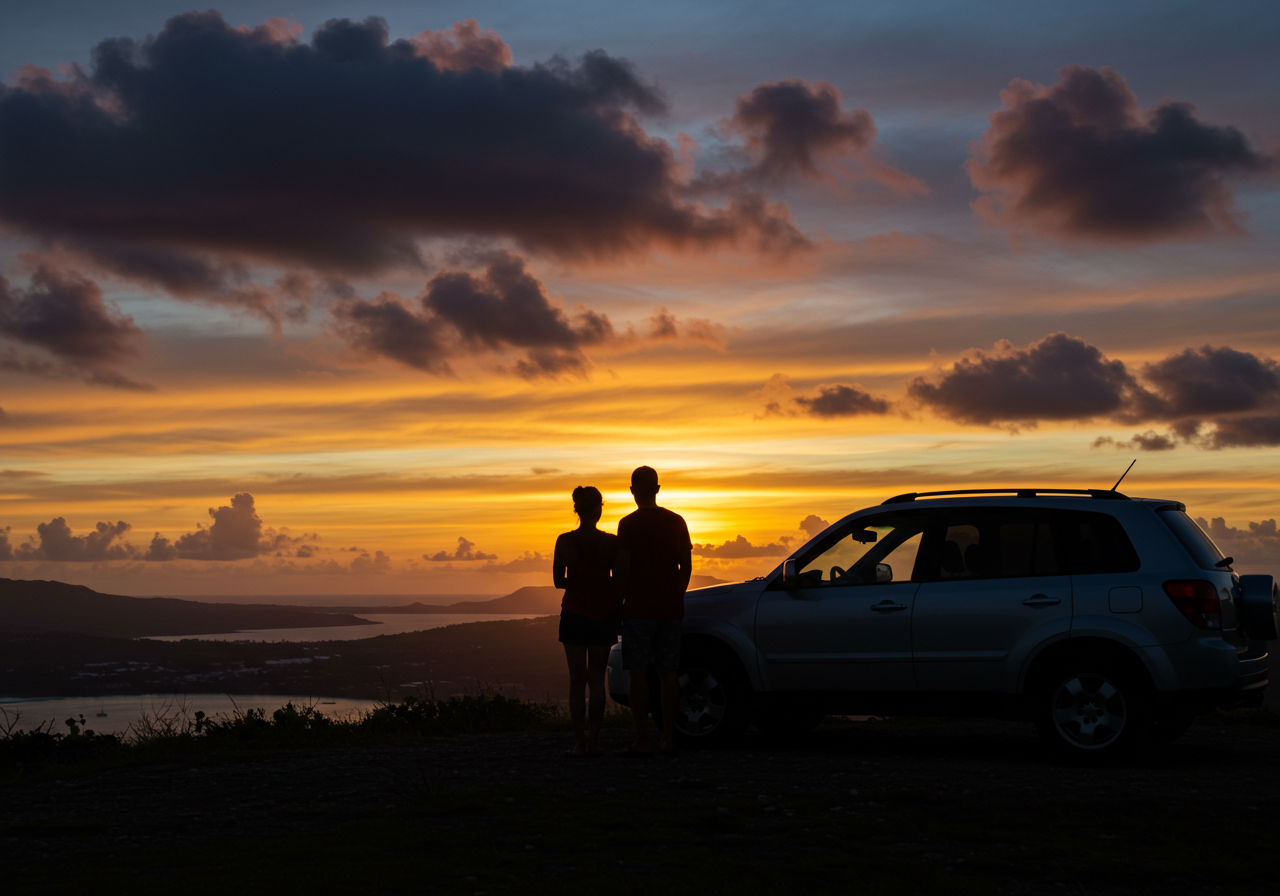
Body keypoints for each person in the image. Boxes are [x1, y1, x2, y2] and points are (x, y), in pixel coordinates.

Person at [614, 466, 691, 757]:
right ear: (657, 489)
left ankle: (642, 741)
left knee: (637, 676)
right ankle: (668, 738)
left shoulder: (628, 524)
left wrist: (617, 603)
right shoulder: (676, 521)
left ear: (632, 491)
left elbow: (622, 568)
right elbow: (686, 567)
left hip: (637, 610)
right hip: (670, 610)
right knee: (668, 674)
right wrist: (676, 595)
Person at [552, 486, 618, 757]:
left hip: (574, 615)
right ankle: (594, 742)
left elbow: (558, 581)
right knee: (597, 681)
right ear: (599, 510)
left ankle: (579, 744)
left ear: (577, 510)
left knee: (577, 680)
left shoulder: (564, 541)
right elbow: (619, 580)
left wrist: (579, 582)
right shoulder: (611, 542)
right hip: (603, 615)